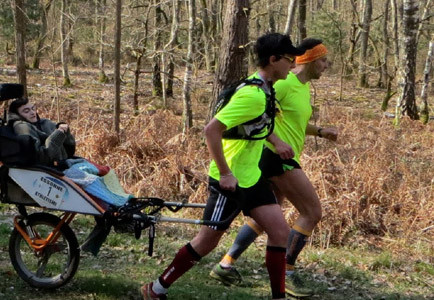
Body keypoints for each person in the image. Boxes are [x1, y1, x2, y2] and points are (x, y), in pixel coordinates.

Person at [140, 33, 304, 300]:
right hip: (230, 181)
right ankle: (156, 289)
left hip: (252, 177)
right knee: (206, 242)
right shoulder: (252, 94)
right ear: (273, 60)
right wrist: (226, 174)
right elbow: (211, 129)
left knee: (280, 233)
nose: (293, 65)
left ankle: (279, 297)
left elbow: (256, 125)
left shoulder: (265, 88)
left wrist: (276, 140)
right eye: (289, 59)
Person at [209, 38, 338, 298]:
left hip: (280, 156)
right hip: (274, 158)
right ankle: (287, 273)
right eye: (323, 60)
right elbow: (259, 111)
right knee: (312, 212)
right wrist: (275, 142)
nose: (326, 65)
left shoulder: (301, 87)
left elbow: (295, 122)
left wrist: (321, 131)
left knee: (269, 214)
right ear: (310, 60)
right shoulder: (286, 83)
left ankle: (226, 263)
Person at [7, 97, 76, 167]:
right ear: (17, 115)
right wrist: (58, 134)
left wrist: (65, 132)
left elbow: (70, 151)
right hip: (47, 171)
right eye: (26, 111)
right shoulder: (22, 127)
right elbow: (41, 158)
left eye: (33, 109)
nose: (32, 113)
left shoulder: (45, 123)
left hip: (63, 165)